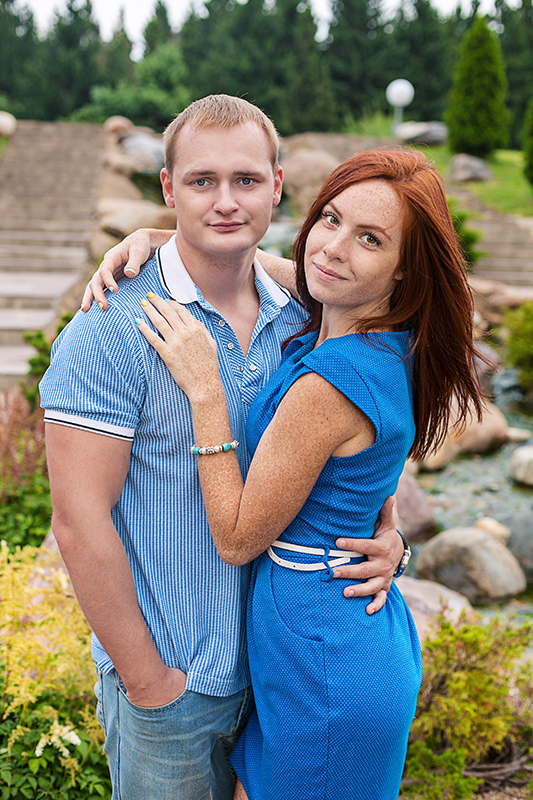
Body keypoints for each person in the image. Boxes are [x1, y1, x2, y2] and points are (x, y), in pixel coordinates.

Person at [40, 95, 405, 800]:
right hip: (177, 690)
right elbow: (79, 522)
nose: (226, 201)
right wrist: (150, 683)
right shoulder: (110, 329)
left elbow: (357, 447)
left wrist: (389, 536)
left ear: (277, 186)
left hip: (284, 676)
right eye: (201, 181)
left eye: (246, 180)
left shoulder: (306, 314)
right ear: (168, 187)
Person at [128, 147, 487, 800]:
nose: (332, 249)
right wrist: (167, 242)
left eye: (370, 239)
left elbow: (238, 538)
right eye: (330, 219)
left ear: (404, 270)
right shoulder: (380, 334)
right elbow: (290, 267)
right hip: (324, 640)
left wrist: (205, 389)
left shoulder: (331, 384)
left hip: (325, 663)